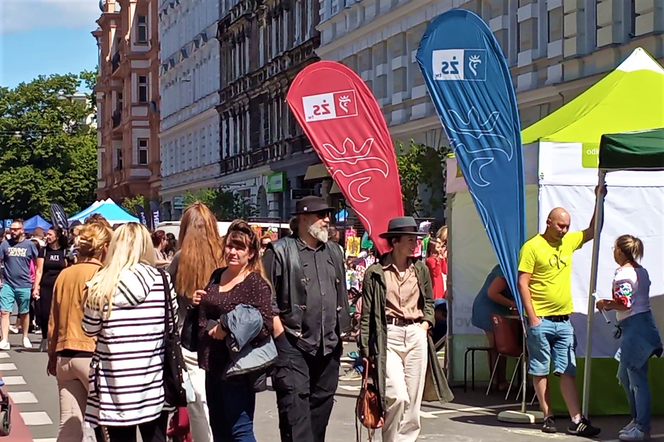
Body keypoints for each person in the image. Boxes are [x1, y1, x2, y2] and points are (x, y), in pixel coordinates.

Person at [262, 196, 350, 442]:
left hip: (328, 345)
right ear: (303, 218)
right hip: (293, 343)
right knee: (294, 411)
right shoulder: (279, 251)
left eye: (327, 215)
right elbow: (266, 298)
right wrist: (280, 335)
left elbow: (341, 292)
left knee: (320, 411)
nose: (327, 220)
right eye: (320, 215)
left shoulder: (334, 251)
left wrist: (342, 330)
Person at [360, 216, 453, 442]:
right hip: (388, 335)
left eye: (416, 239)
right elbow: (367, 313)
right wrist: (365, 348)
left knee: (412, 400)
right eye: (410, 239)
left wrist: (425, 324)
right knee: (397, 395)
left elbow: (429, 302)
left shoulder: (420, 269)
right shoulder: (376, 272)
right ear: (395, 242)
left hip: (415, 333)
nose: (415, 244)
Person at [518, 191, 604, 437]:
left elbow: (593, 230)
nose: (564, 231)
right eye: (560, 226)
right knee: (541, 369)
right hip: (541, 319)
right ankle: (548, 415)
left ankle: (577, 419)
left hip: (564, 320)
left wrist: (599, 199)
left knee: (568, 369)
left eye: (567, 226)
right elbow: (523, 282)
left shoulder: (568, 241)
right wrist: (532, 317)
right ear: (548, 222)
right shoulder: (532, 247)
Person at [82, 223, 177, 442]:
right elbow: (171, 326)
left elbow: (89, 328)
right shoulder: (162, 281)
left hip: (115, 382)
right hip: (153, 380)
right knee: (156, 438)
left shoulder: (101, 283)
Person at [196, 220, 274, 441]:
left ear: (251, 253)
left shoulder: (255, 283)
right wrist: (197, 301)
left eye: (240, 248)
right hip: (212, 365)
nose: (232, 252)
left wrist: (228, 328)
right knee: (219, 429)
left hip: (237, 368)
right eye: (230, 246)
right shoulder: (217, 275)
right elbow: (207, 310)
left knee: (240, 431)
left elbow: (265, 325)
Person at [47, 221, 112, 441]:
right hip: (92, 354)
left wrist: (52, 354)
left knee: (69, 424)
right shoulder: (102, 274)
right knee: (108, 425)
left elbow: (53, 321)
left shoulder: (64, 274)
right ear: (104, 248)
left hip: (65, 354)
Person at [595, 235, 662, 442]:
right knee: (625, 376)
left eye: (614, 248)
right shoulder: (641, 271)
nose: (613, 252)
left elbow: (624, 303)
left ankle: (642, 427)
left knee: (637, 380)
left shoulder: (624, 274)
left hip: (636, 329)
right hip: (640, 326)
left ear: (620, 251)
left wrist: (605, 303)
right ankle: (637, 420)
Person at [168, 202, 221, 442]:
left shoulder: (180, 258)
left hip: (188, 338)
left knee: (198, 402)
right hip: (220, 334)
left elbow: (169, 298)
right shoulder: (223, 255)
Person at [470, 265, 516, 391]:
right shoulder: (506, 268)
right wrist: (513, 304)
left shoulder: (508, 266)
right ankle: (498, 381)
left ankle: (498, 380)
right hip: (488, 308)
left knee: (499, 345)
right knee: (497, 345)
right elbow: (492, 293)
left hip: (497, 308)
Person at [0, 220, 39, 350]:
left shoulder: (29, 245)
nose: (13, 232)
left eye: (16, 229)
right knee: (4, 311)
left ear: (22, 230)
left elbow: (37, 264)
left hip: (24, 284)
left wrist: (36, 283)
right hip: (8, 283)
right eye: (12, 229)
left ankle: (25, 336)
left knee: (24, 312)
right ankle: (4, 339)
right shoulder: (5, 244)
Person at [33, 227, 69, 351]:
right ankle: (45, 337)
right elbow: (39, 271)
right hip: (46, 285)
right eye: (46, 234)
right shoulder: (43, 251)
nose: (47, 237)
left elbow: (68, 269)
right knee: (45, 313)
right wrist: (36, 287)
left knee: (60, 313)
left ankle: (58, 339)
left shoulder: (64, 251)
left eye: (50, 234)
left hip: (60, 285)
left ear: (57, 236)